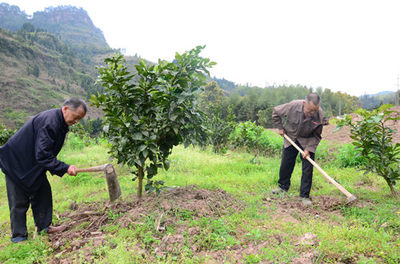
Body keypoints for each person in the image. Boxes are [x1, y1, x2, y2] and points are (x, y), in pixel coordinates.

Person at [0, 98, 86, 243]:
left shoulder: (60, 123)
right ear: (65, 109)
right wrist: (65, 168)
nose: (76, 121)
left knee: (43, 193)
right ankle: (19, 237)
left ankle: (44, 227)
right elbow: (43, 155)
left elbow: (44, 154)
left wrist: (60, 167)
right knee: (18, 200)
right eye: (76, 117)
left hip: (33, 164)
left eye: (80, 119)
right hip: (16, 162)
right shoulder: (50, 122)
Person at [271, 93, 327, 205]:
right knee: (286, 163)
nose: (312, 113)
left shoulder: (319, 115)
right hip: (291, 137)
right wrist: (280, 128)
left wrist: (309, 149)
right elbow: (276, 112)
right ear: (304, 103)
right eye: (310, 110)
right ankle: (283, 187)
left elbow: (316, 136)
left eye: (315, 111)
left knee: (307, 168)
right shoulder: (293, 105)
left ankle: (304, 196)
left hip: (307, 141)